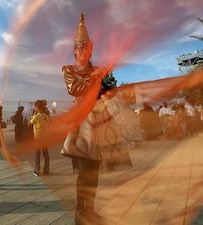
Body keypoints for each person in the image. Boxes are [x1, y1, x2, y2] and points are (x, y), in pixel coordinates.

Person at [60, 13, 143, 225]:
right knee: (84, 173)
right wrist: (97, 79)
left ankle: (91, 209)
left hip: (101, 124)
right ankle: (81, 211)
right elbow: (75, 89)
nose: (83, 52)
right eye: (80, 49)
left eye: (86, 49)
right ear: (75, 50)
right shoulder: (69, 70)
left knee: (94, 171)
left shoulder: (98, 70)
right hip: (83, 125)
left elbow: (108, 92)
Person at [30, 100, 50, 176]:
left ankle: (37, 170)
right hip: (46, 137)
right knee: (46, 153)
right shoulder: (46, 116)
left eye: (35, 107)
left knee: (37, 154)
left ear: (37, 107)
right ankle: (46, 169)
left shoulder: (37, 116)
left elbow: (31, 122)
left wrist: (34, 114)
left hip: (38, 138)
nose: (34, 108)